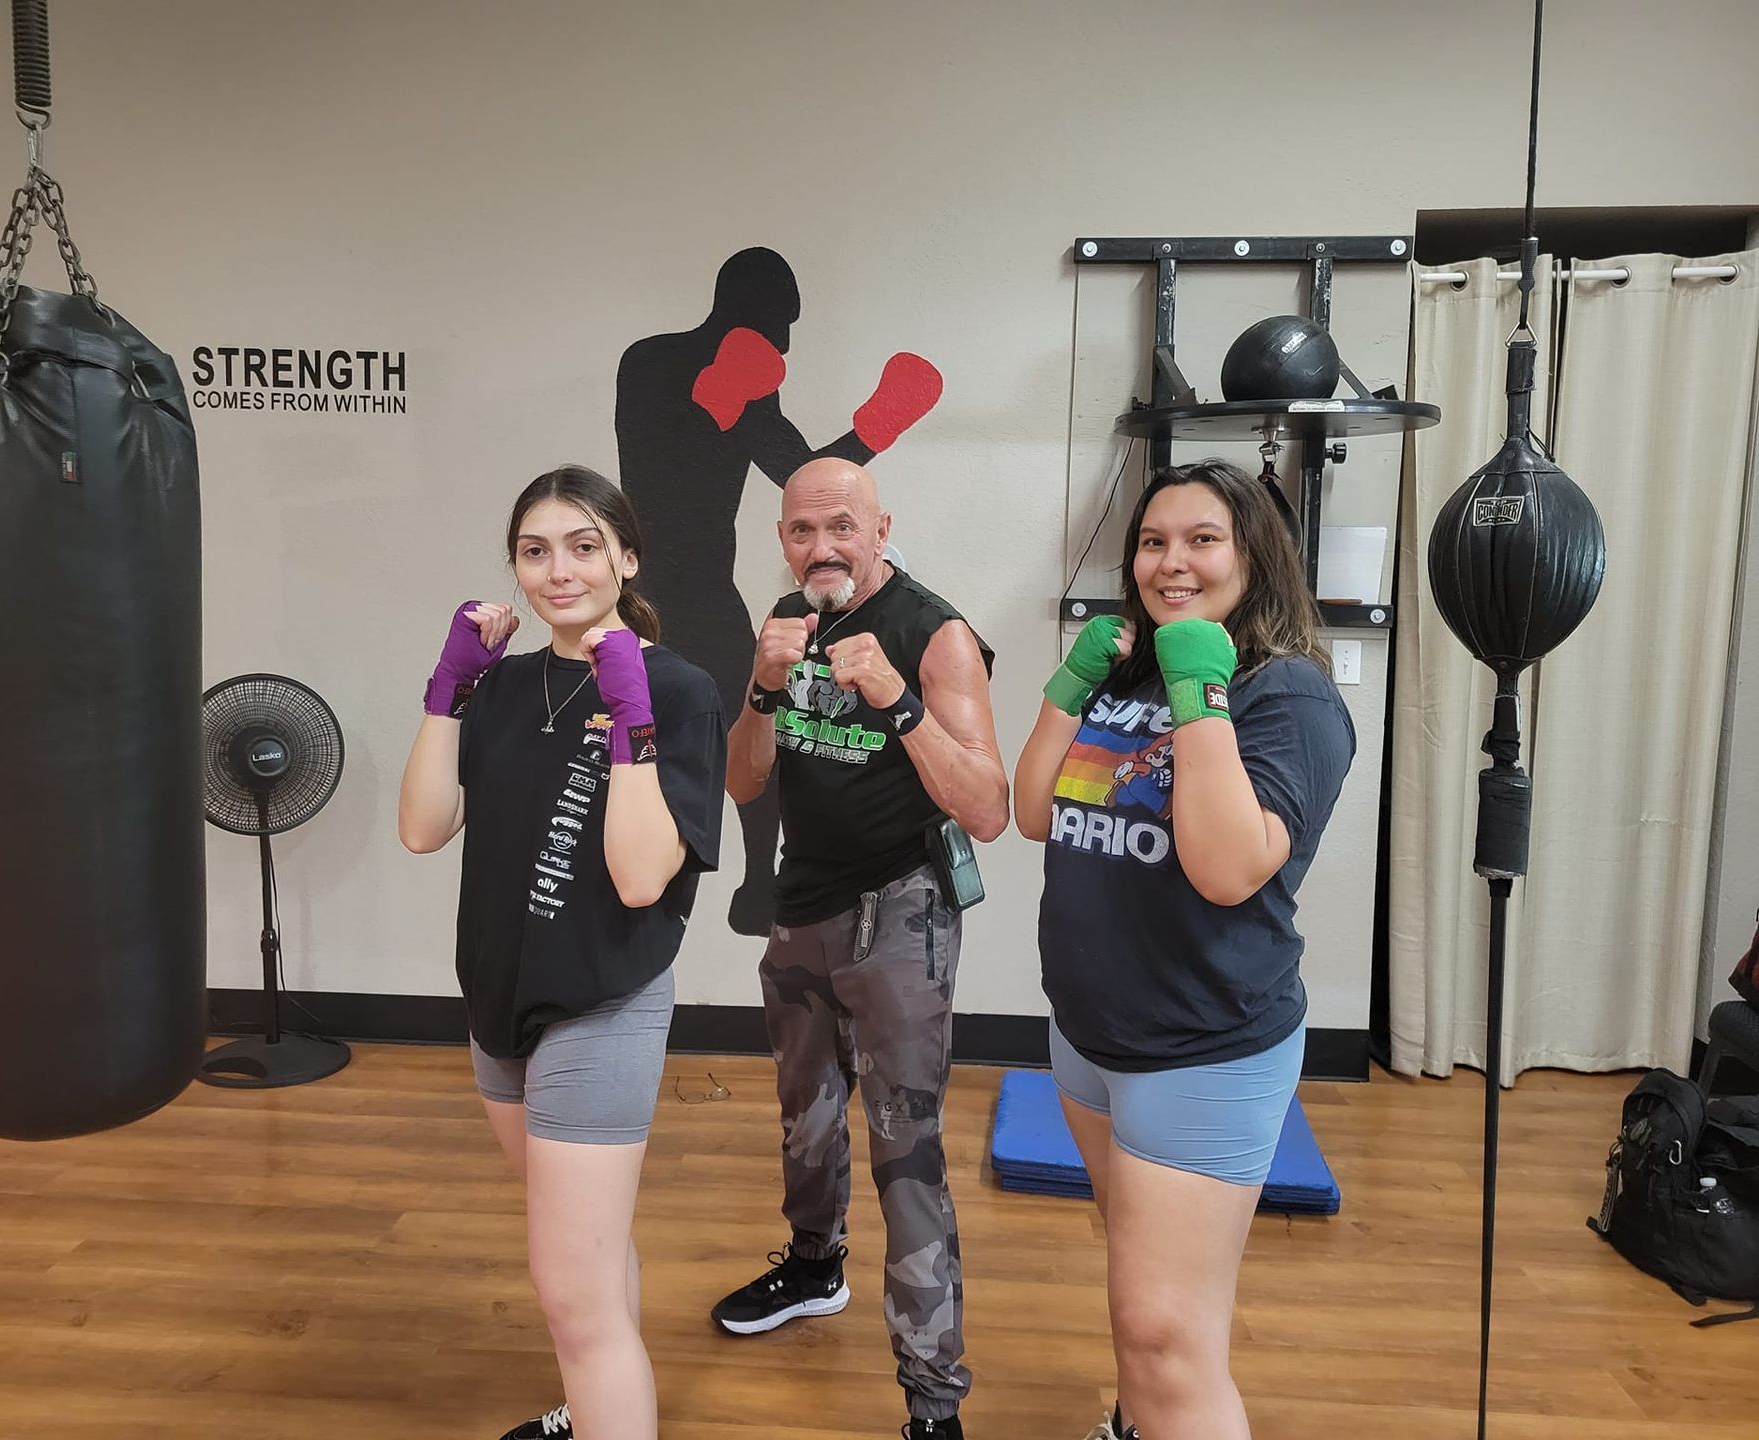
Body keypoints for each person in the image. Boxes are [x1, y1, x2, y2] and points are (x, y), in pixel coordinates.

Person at [1011, 460, 1356, 1440]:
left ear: (1255, 555)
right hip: (1090, 1036)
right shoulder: (1128, 670)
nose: (1172, 562)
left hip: (1202, 1049)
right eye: (1153, 541)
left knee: (1166, 1335)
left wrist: (1200, 692)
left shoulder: (1287, 697)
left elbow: (1226, 870)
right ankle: (1135, 1424)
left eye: (1202, 539)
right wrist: (1069, 689)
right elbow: (1036, 813)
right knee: (1141, 1293)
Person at [397, 465, 726, 1440]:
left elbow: (639, 878)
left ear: (625, 557)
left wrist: (631, 720)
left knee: (570, 1296)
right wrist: (445, 691)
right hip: (498, 1004)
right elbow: (423, 828)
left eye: (584, 546)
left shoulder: (678, 689)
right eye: (534, 551)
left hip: (600, 1002)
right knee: (588, 1261)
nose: (559, 570)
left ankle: (604, 1404)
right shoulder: (501, 687)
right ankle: (596, 1410)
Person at [711, 457, 1006, 1440]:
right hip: (802, 906)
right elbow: (744, 784)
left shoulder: (937, 633)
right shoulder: (791, 623)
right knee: (805, 1115)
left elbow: (987, 806)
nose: (821, 547)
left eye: (841, 526)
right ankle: (813, 1267)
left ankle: (933, 1403)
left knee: (904, 1152)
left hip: (901, 914)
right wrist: (760, 685)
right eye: (801, 530)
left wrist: (897, 700)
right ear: (782, 539)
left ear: (882, 529)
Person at [616, 246, 942, 936]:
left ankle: (758, 883)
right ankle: (681, 871)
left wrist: (873, 430)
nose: (786, 342)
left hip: (700, 589)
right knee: (646, 732)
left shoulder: (750, 385)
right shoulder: (650, 361)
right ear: (751, 309)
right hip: (650, 591)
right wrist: (710, 409)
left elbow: (805, 476)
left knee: (748, 726)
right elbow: (651, 454)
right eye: (783, 323)